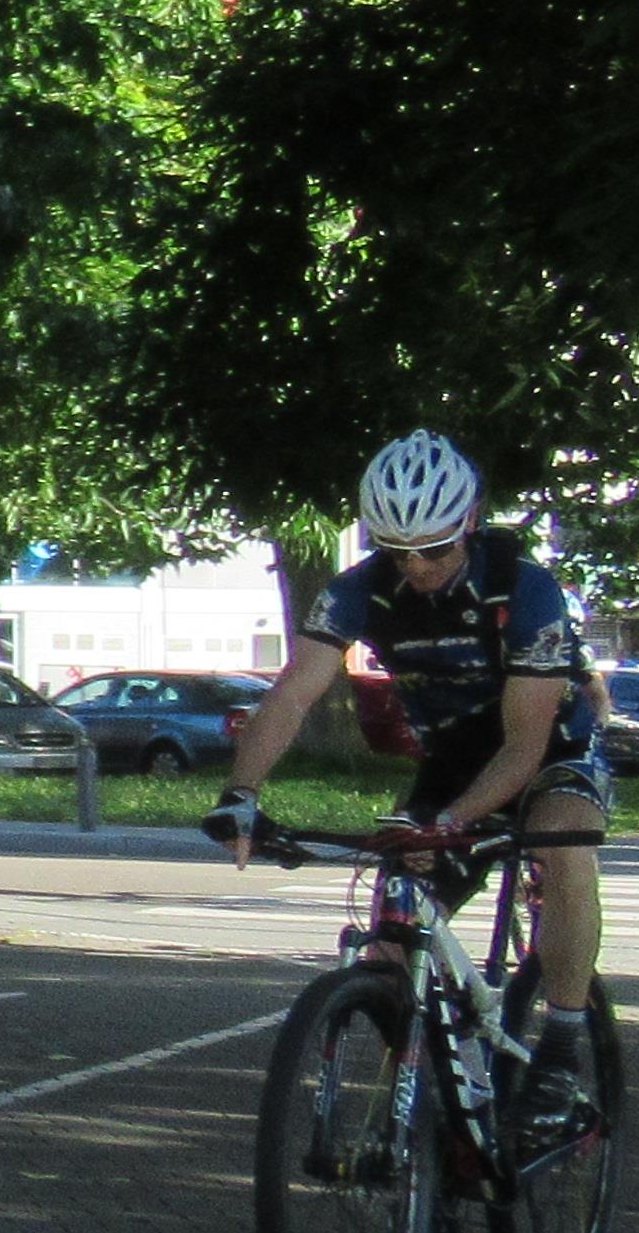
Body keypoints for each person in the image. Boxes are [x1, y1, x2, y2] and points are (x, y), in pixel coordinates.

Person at [210, 429, 611, 1142]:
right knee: (391, 940)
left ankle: (559, 1049)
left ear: (470, 522)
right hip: (453, 760)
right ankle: (447, 1094)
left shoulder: (524, 590)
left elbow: (523, 746)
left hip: (550, 752)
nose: (417, 566)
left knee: (562, 841)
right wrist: (242, 795)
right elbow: (295, 692)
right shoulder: (358, 590)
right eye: (398, 551)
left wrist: (449, 823)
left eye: (436, 548)